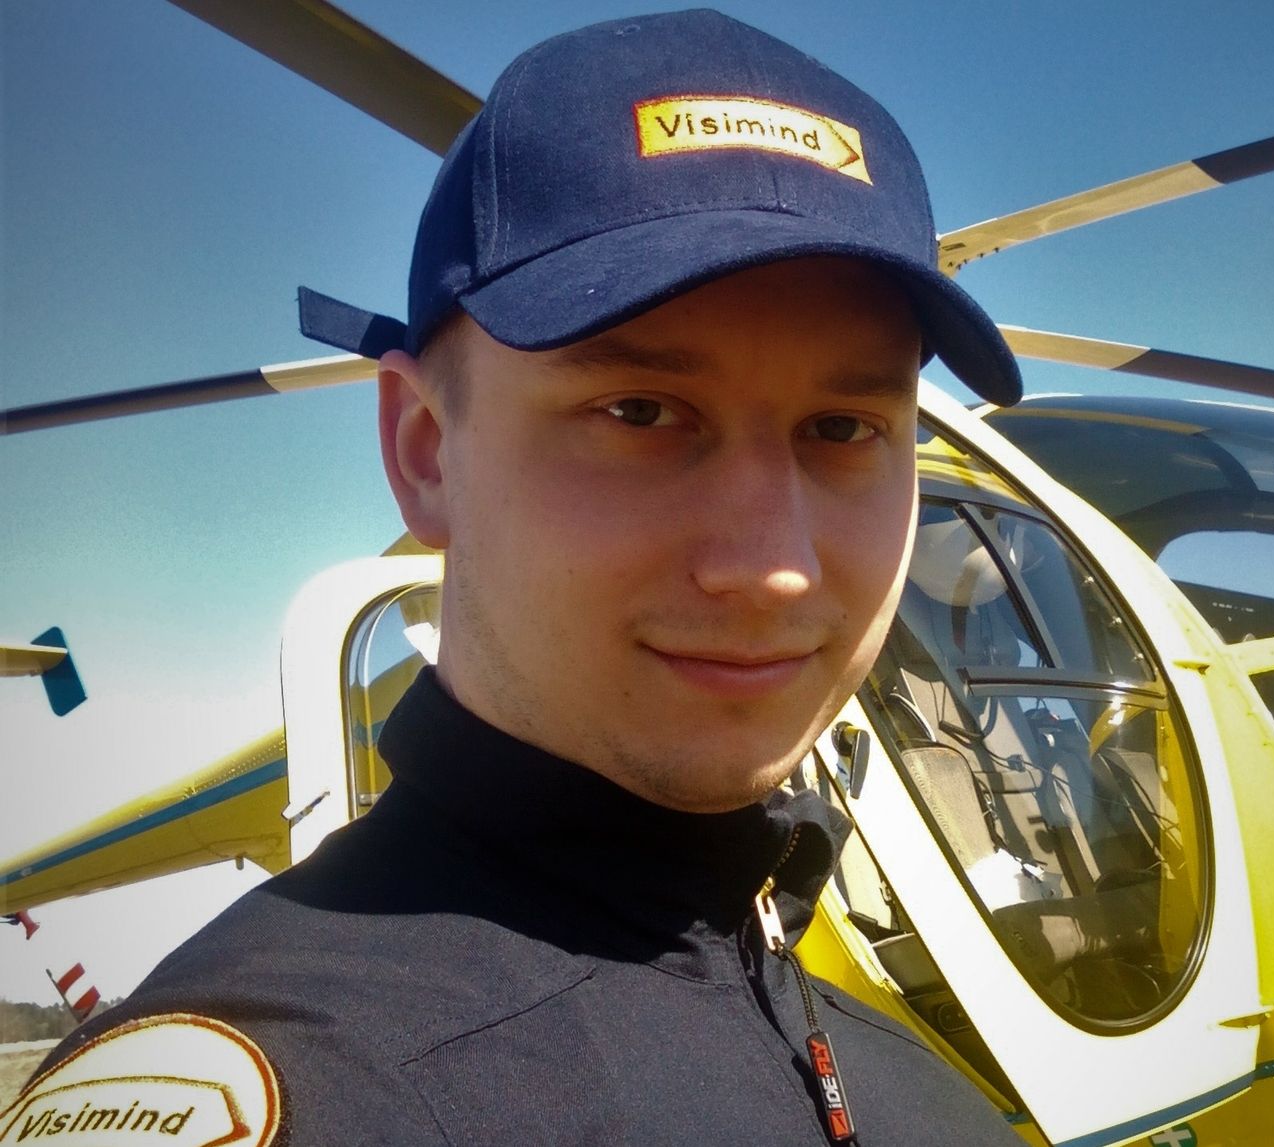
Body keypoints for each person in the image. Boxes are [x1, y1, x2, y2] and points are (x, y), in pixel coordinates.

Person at [12, 11, 1023, 1144]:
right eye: (640, 411)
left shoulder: (916, 1090)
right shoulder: (313, 1092)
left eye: (843, 428)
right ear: (425, 453)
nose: (772, 567)